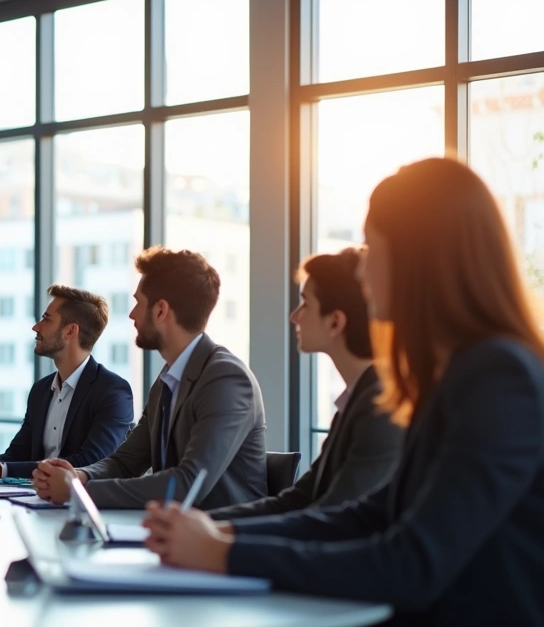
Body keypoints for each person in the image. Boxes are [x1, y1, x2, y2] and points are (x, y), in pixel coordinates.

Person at [143, 158, 544, 625]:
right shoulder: (454, 375)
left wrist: (223, 554)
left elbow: (411, 564)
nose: (362, 267)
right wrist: (222, 533)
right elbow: (365, 516)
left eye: (373, 246)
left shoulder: (499, 377)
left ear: (419, 258)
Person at [33, 247, 267, 509]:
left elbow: (186, 484)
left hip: (219, 538)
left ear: (160, 311)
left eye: (138, 303)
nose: (132, 314)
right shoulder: (167, 381)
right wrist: (81, 476)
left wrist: (80, 491)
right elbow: (125, 462)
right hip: (170, 532)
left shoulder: (226, 379)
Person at [210, 248, 402, 520]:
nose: (294, 316)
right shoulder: (357, 400)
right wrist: (207, 524)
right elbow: (299, 499)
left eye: (306, 304)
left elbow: (331, 519)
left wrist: (220, 541)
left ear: (335, 321)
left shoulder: (379, 407)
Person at [0, 285, 133, 483]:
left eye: (46, 319)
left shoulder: (113, 391)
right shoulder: (41, 390)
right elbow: (18, 454)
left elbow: (91, 461)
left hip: (82, 506)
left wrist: (2, 470)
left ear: (70, 331)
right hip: (34, 501)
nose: (36, 327)